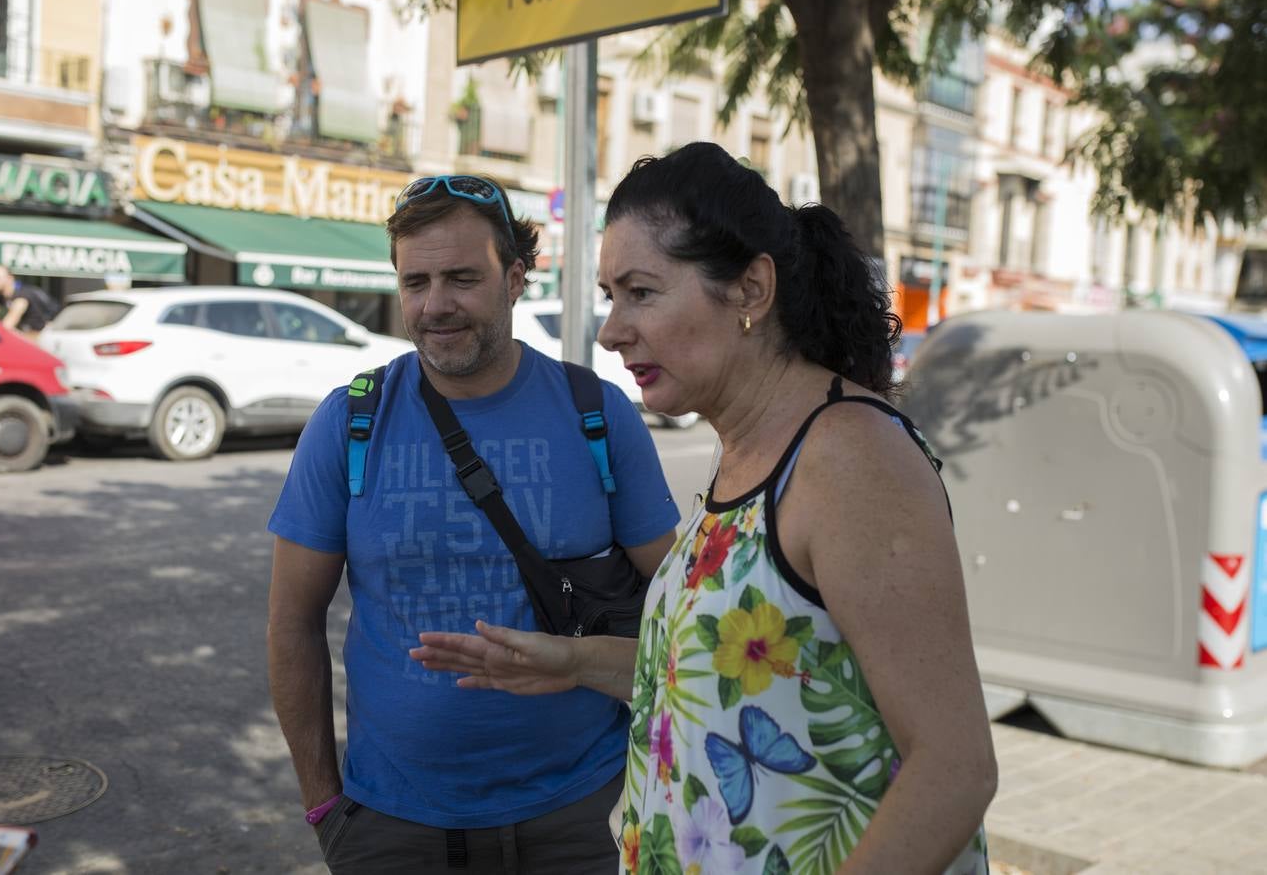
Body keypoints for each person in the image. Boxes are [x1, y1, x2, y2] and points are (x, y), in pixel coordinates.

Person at [412, 143, 998, 874]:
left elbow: (954, 768)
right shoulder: (751, 450)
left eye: (641, 292)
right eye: (609, 295)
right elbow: (729, 682)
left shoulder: (847, 456)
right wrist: (572, 661)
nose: (610, 330)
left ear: (750, 289)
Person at [266, 173, 681, 875]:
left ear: (515, 277)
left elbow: (684, 614)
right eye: (414, 282)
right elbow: (291, 625)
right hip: (391, 827)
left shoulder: (597, 414)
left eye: (461, 278)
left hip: (583, 815)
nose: (435, 306)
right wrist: (323, 806)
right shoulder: (350, 421)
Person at [0, 266, 56, 337]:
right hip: (25, 337)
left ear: (10, 278)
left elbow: (6, 327)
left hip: (34, 339)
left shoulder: (21, 297)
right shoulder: (2, 298)